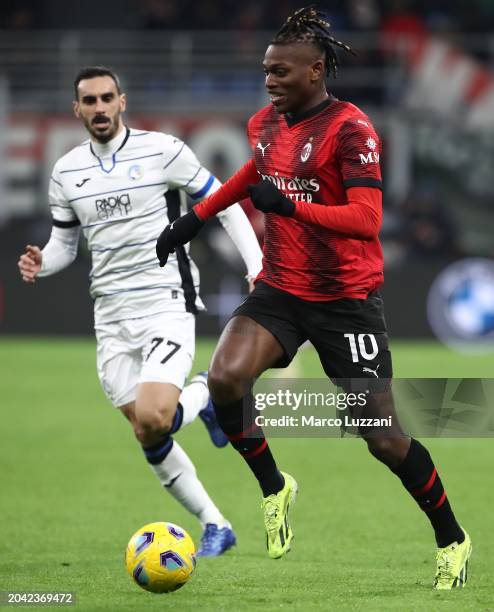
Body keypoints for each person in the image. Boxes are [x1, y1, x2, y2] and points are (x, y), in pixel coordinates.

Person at [155, 7, 471, 588]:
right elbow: (254, 175)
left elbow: (368, 219)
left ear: (317, 71)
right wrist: (194, 220)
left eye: (280, 71)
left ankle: (452, 537)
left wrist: (291, 207)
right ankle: (275, 487)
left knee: (383, 438)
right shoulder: (264, 124)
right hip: (280, 288)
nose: (269, 80)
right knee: (225, 379)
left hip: (346, 299)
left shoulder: (352, 130)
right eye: (265, 70)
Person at [18, 65, 263, 557]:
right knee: (148, 430)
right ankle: (216, 523)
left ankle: (203, 395)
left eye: (107, 98)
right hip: (109, 316)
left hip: (163, 301)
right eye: (89, 101)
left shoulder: (163, 150)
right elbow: (66, 245)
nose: (100, 108)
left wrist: (255, 264)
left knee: (156, 414)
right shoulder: (66, 172)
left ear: (122, 101)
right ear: (77, 110)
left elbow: (225, 201)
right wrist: (43, 262)